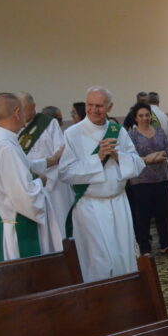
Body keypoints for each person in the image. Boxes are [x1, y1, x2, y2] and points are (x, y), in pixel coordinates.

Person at [59, 86, 145, 281]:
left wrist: (117, 155)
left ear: (110, 107)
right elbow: (65, 172)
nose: (93, 110)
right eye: (90, 105)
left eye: (99, 106)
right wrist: (97, 158)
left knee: (124, 257)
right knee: (101, 261)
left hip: (118, 203)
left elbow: (138, 164)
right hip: (91, 205)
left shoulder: (118, 132)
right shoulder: (73, 134)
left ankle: (127, 297)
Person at [0, 93, 62, 262]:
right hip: (17, 231)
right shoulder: (6, 148)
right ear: (17, 112)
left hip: (5, 223)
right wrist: (42, 181)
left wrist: (50, 161)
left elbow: (20, 168)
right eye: (23, 112)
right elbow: (25, 196)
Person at [17, 92, 71, 232]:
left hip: (52, 184)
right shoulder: (15, 127)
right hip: (29, 184)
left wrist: (47, 181)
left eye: (24, 108)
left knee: (58, 225)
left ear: (34, 106)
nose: (21, 113)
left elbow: (59, 153)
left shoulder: (49, 123)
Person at [128, 102, 168, 256]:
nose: (145, 118)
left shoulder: (160, 131)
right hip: (141, 182)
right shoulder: (132, 135)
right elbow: (131, 157)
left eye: (147, 115)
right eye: (141, 116)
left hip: (161, 179)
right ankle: (145, 247)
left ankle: (165, 244)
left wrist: (157, 156)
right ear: (135, 118)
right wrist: (149, 159)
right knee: (143, 216)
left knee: (162, 214)